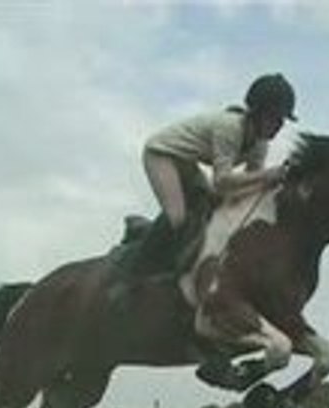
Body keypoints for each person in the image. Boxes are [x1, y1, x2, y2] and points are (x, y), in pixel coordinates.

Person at [112, 73, 298, 295]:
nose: (278, 126)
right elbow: (221, 182)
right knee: (178, 217)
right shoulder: (230, 127)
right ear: (257, 112)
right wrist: (267, 176)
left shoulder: (260, 144)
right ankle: (133, 272)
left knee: (210, 207)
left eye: (281, 121)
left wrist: (276, 184)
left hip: (186, 162)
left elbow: (250, 185)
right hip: (161, 154)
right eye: (274, 118)